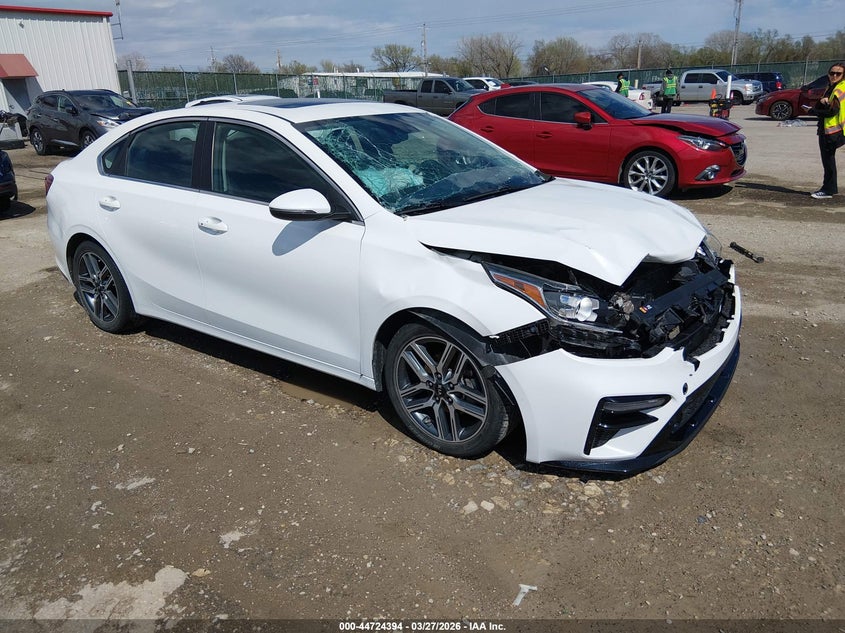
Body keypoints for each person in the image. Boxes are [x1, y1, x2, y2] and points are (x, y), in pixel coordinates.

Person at [809, 62, 845, 199]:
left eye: (838, 73)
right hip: (832, 130)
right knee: (828, 160)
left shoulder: (838, 89)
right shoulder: (832, 87)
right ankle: (829, 188)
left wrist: (813, 111)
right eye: (832, 73)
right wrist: (824, 102)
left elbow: (832, 112)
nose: (834, 76)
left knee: (828, 160)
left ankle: (828, 189)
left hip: (833, 131)